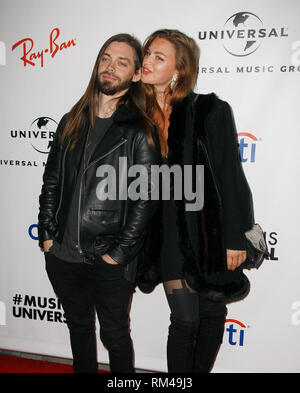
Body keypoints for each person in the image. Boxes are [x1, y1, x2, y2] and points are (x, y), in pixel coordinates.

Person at [38, 33, 160, 373]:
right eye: (106, 58)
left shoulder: (139, 129)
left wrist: (118, 255)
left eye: (122, 62)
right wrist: (48, 235)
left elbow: (145, 199)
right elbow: (51, 182)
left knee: (115, 335)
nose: (111, 66)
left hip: (108, 258)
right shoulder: (72, 119)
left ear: (136, 75)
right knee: (78, 327)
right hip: (62, 253)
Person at [137, 29, 254, 373]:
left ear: (178, 70)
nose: (147, 61)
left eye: (159, 57)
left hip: (209, 231)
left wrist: (235, 238)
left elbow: (231, 179)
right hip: (164, 235)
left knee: (214, 312)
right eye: (147, 54)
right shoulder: (133, 117)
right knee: (185, 319)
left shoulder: (209, 111)